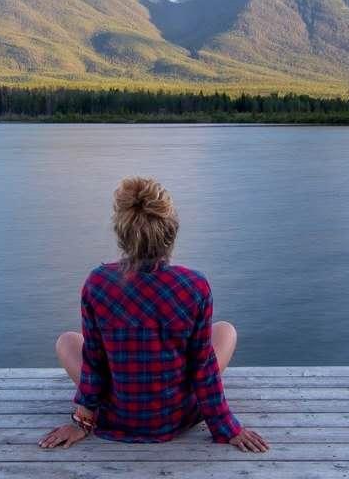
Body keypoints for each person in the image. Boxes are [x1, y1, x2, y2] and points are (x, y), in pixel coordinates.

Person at [40, 177, 270, 453]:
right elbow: (203, 367)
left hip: (116, 415)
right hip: (174, 417)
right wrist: (226, 428)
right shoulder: (194, 286)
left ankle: (104, 409)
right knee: (225, 331)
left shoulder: (97, 283)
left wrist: (82, 422)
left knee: (67, 341)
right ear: (171, 232)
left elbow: (94, 362)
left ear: (121, 234)